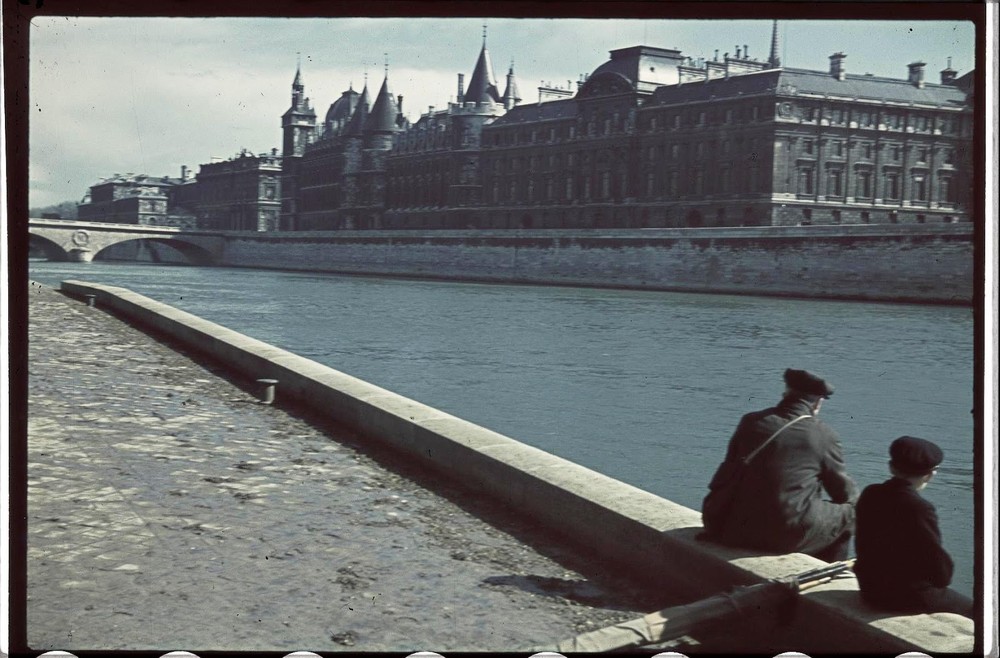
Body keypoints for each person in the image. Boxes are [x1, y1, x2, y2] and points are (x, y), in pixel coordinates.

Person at [701, 369, 858, 562]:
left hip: (731, 528)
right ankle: (827, 573)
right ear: (817, 403)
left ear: (786, 394)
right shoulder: (823, 435)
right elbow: (843, 493)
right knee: (850, 513)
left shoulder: (750, 422)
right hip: (782, 537)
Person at [854, 436, 973, 617]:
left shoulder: (871, 493)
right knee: (977, 610)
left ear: (891, 466)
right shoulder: (919, 508)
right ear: (932, 473)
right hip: (905, 597)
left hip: (869, 588)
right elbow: (939, 568)